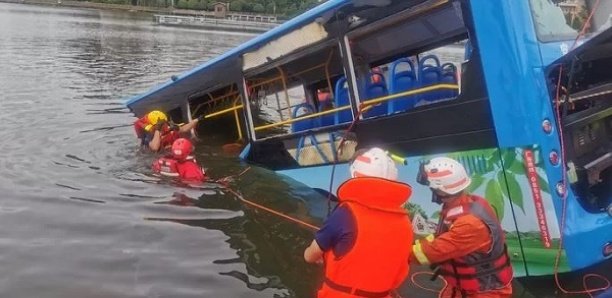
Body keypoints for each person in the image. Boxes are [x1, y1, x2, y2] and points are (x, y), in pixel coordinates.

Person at [303, 147, 414, 298]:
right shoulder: (405, 221)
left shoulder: (345, 213)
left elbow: (310, 256)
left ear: (355, 175)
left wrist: (317, 255)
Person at [412, 157, 513, 298]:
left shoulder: (469, 224)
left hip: (485, 292)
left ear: (441, 190)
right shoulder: (462, 205)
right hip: (462, 289)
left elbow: (432, 251)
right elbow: (441, 237)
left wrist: (400, 254)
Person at [133, 110, 202, 152]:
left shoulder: (168, 126)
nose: (165, 125)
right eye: (162, 124)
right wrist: (158, 130)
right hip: (158, 155)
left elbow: (184, 129)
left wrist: (197, 120)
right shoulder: (149, 134)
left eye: (164, 123)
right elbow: (154, 148)